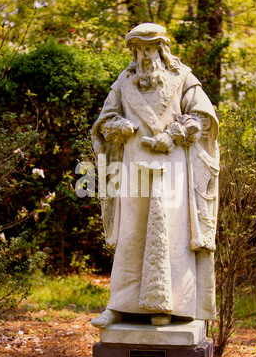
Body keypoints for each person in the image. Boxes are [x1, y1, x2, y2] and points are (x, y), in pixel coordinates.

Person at [90, 23, 219, 328]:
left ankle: (168, 307)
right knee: (131, 235)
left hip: (172, 170)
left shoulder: (183, 78)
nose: (144, 56)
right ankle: (120, 306)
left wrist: (173, 135)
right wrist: (116, 127)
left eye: (149, 48)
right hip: (134, 169)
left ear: (162, 49)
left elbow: (202, 117)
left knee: (170, 236)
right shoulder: (123, 83)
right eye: (138, 50)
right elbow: (105, 119)